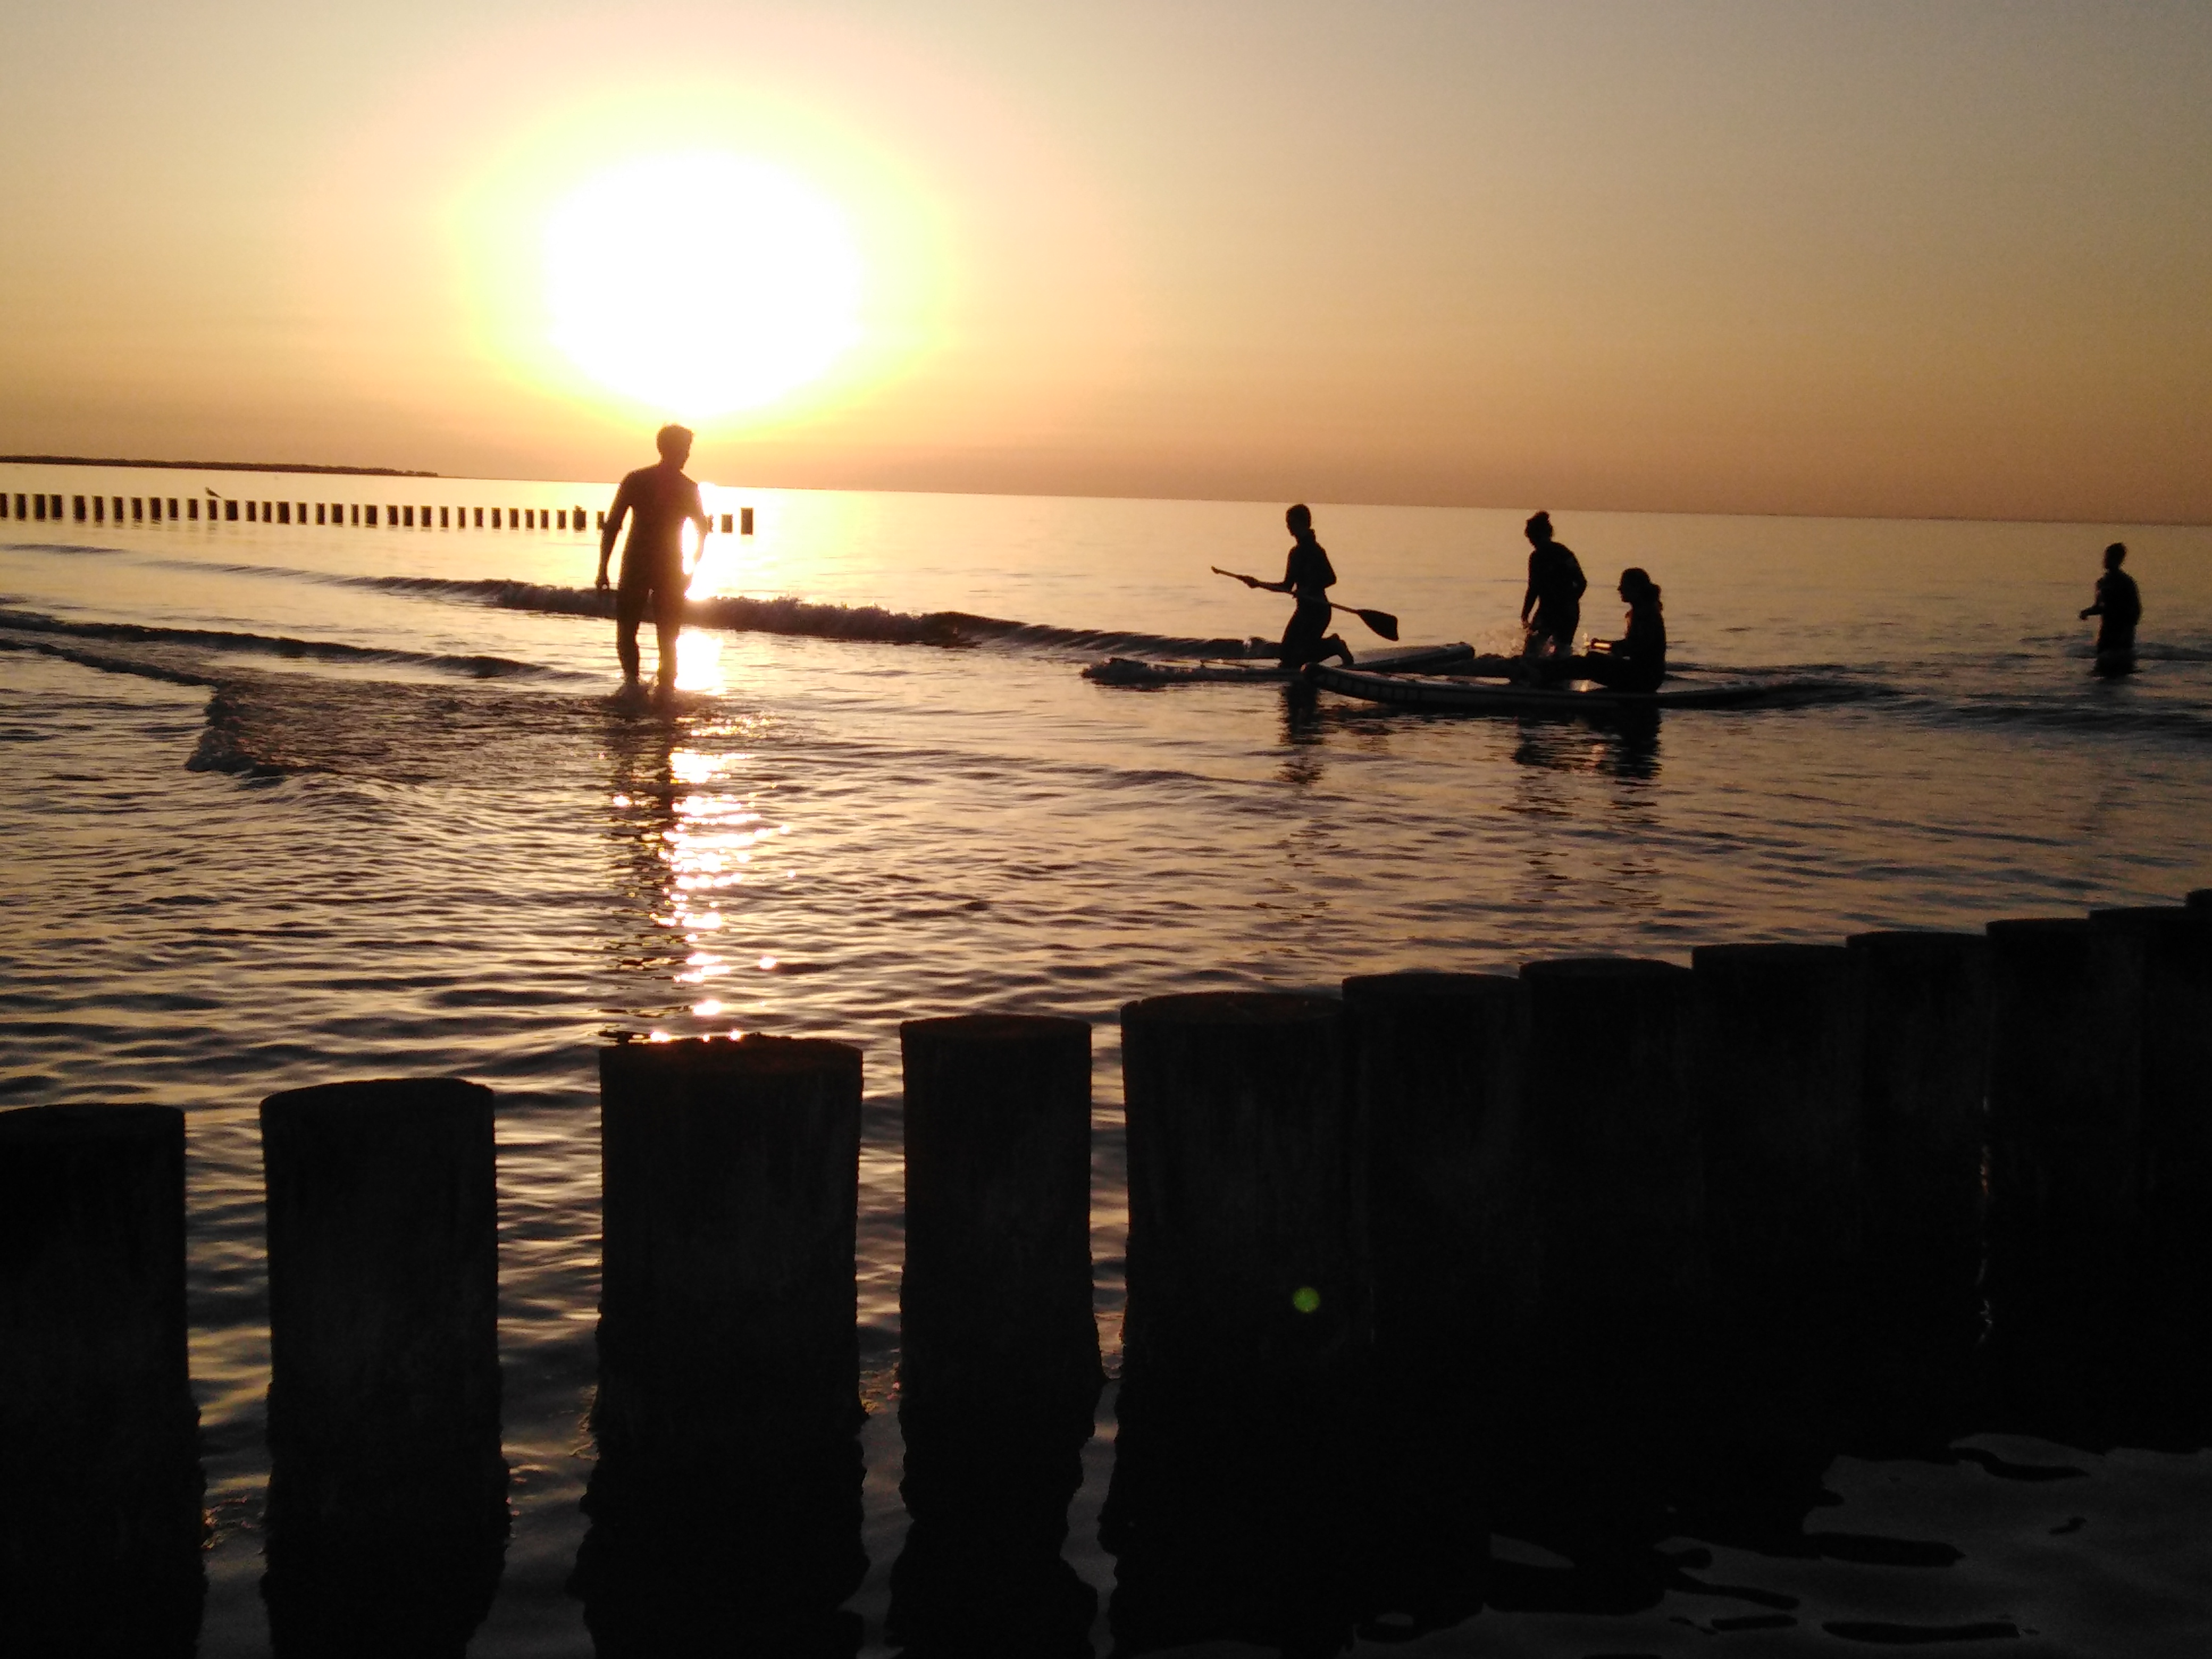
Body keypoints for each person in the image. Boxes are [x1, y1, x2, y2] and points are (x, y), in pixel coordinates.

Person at [596, 424, 712, 695]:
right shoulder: (682, 487)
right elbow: (701, 531)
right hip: (660, 566)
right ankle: (650, 689)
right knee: (659, 633)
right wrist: (692, 570)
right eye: (685, 449)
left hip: (646, 563)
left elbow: (612, 526)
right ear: (670, 449)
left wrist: (603, 568)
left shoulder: (639, 480)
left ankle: (639, 687)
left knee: (642, 631)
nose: (687, 455)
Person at [1232, 504, 1353, 670]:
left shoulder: (1315, 551)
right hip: (1303, 610)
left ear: (1304, 523)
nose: (1288, 526)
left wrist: (1308, 589)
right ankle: (1325, 648)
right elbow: (1287, 586)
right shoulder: (1295, 553)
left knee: (1300, 658)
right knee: (1286, 655)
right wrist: (1259, 584)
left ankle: (1334, 645)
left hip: (1318, 610)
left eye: (1292, 522)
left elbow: (1331, 578)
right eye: (1287, 523)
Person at [1561, 567, 1667, 693]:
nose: (1619, 589)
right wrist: (1605, 647)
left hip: (1645, 678)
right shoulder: (1640, 612)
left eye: (1624, 585)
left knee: (1592, 662)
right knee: (1591, 659)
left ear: (1636, 589)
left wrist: (1604, 646)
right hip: (1642, 673)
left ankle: (1547, 678)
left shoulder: (1646, 615)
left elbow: (1634, 647)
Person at [1519, 510, 1587, 658]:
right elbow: (1582, 582)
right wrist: (1570, 602)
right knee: (1559, 653)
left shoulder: (1540, 557)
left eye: (1532, 538)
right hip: (1563, 611)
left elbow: (1534, 588)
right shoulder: (1562, 553)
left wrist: (1525, 613)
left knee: (1532, 654)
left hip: (1552, 612)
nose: (1532, 542)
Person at [2079, 541, 2142, 673]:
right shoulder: (2102, 583)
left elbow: (2136, 609)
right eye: (2105, 557)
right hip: (2107, 630)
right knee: (2101, 667)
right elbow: (2100, 607)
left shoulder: (2127, 582)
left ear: (2119, 560)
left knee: (2121, 668)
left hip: (2122, 631)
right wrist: (2087, 612)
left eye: (2109, 557)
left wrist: (2128, 629)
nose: (2105, 560)